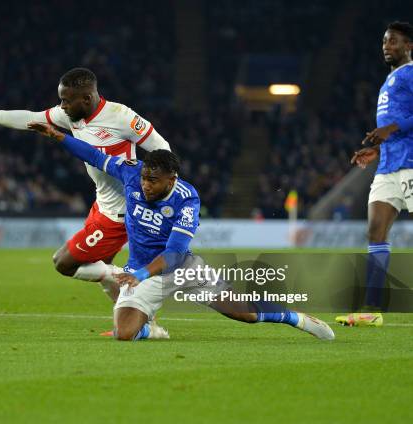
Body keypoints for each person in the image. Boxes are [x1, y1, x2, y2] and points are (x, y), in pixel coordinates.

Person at [29, 122, 335, 341]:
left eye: (154, 181)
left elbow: (174, 255)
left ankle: (297, 319)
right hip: (141, 271)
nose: (146, 185)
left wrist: (142, 274)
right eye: (145, 178)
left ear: (171, 179)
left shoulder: (186, 198)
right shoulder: (131, 174)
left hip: (181, 269)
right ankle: (148, 327)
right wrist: (58, 136)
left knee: (244, 314)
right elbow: (94, 156)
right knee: (124, 335)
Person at [0, 68, 171, 303]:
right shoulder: (70, 115)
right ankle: (141, 325)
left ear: (87, 99)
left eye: (66, 101)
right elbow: (32, 117)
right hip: (101, 205)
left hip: (120, 214)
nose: (62, 106)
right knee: (100, 268)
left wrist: (145, 184)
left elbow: (163, 151)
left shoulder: (122, 117)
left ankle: (122, 277)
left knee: (64, 262)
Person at [342, 21, 413, 327]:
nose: (387, 46)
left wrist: (391, 128)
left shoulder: (411, 74)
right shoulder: (390, 80)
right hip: (388, 167)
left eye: (394, 41)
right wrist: (378, 151)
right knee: (375, 232)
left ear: (409, 46)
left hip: (411, 163)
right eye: (385, 41)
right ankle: (372, 309)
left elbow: (399, 126)